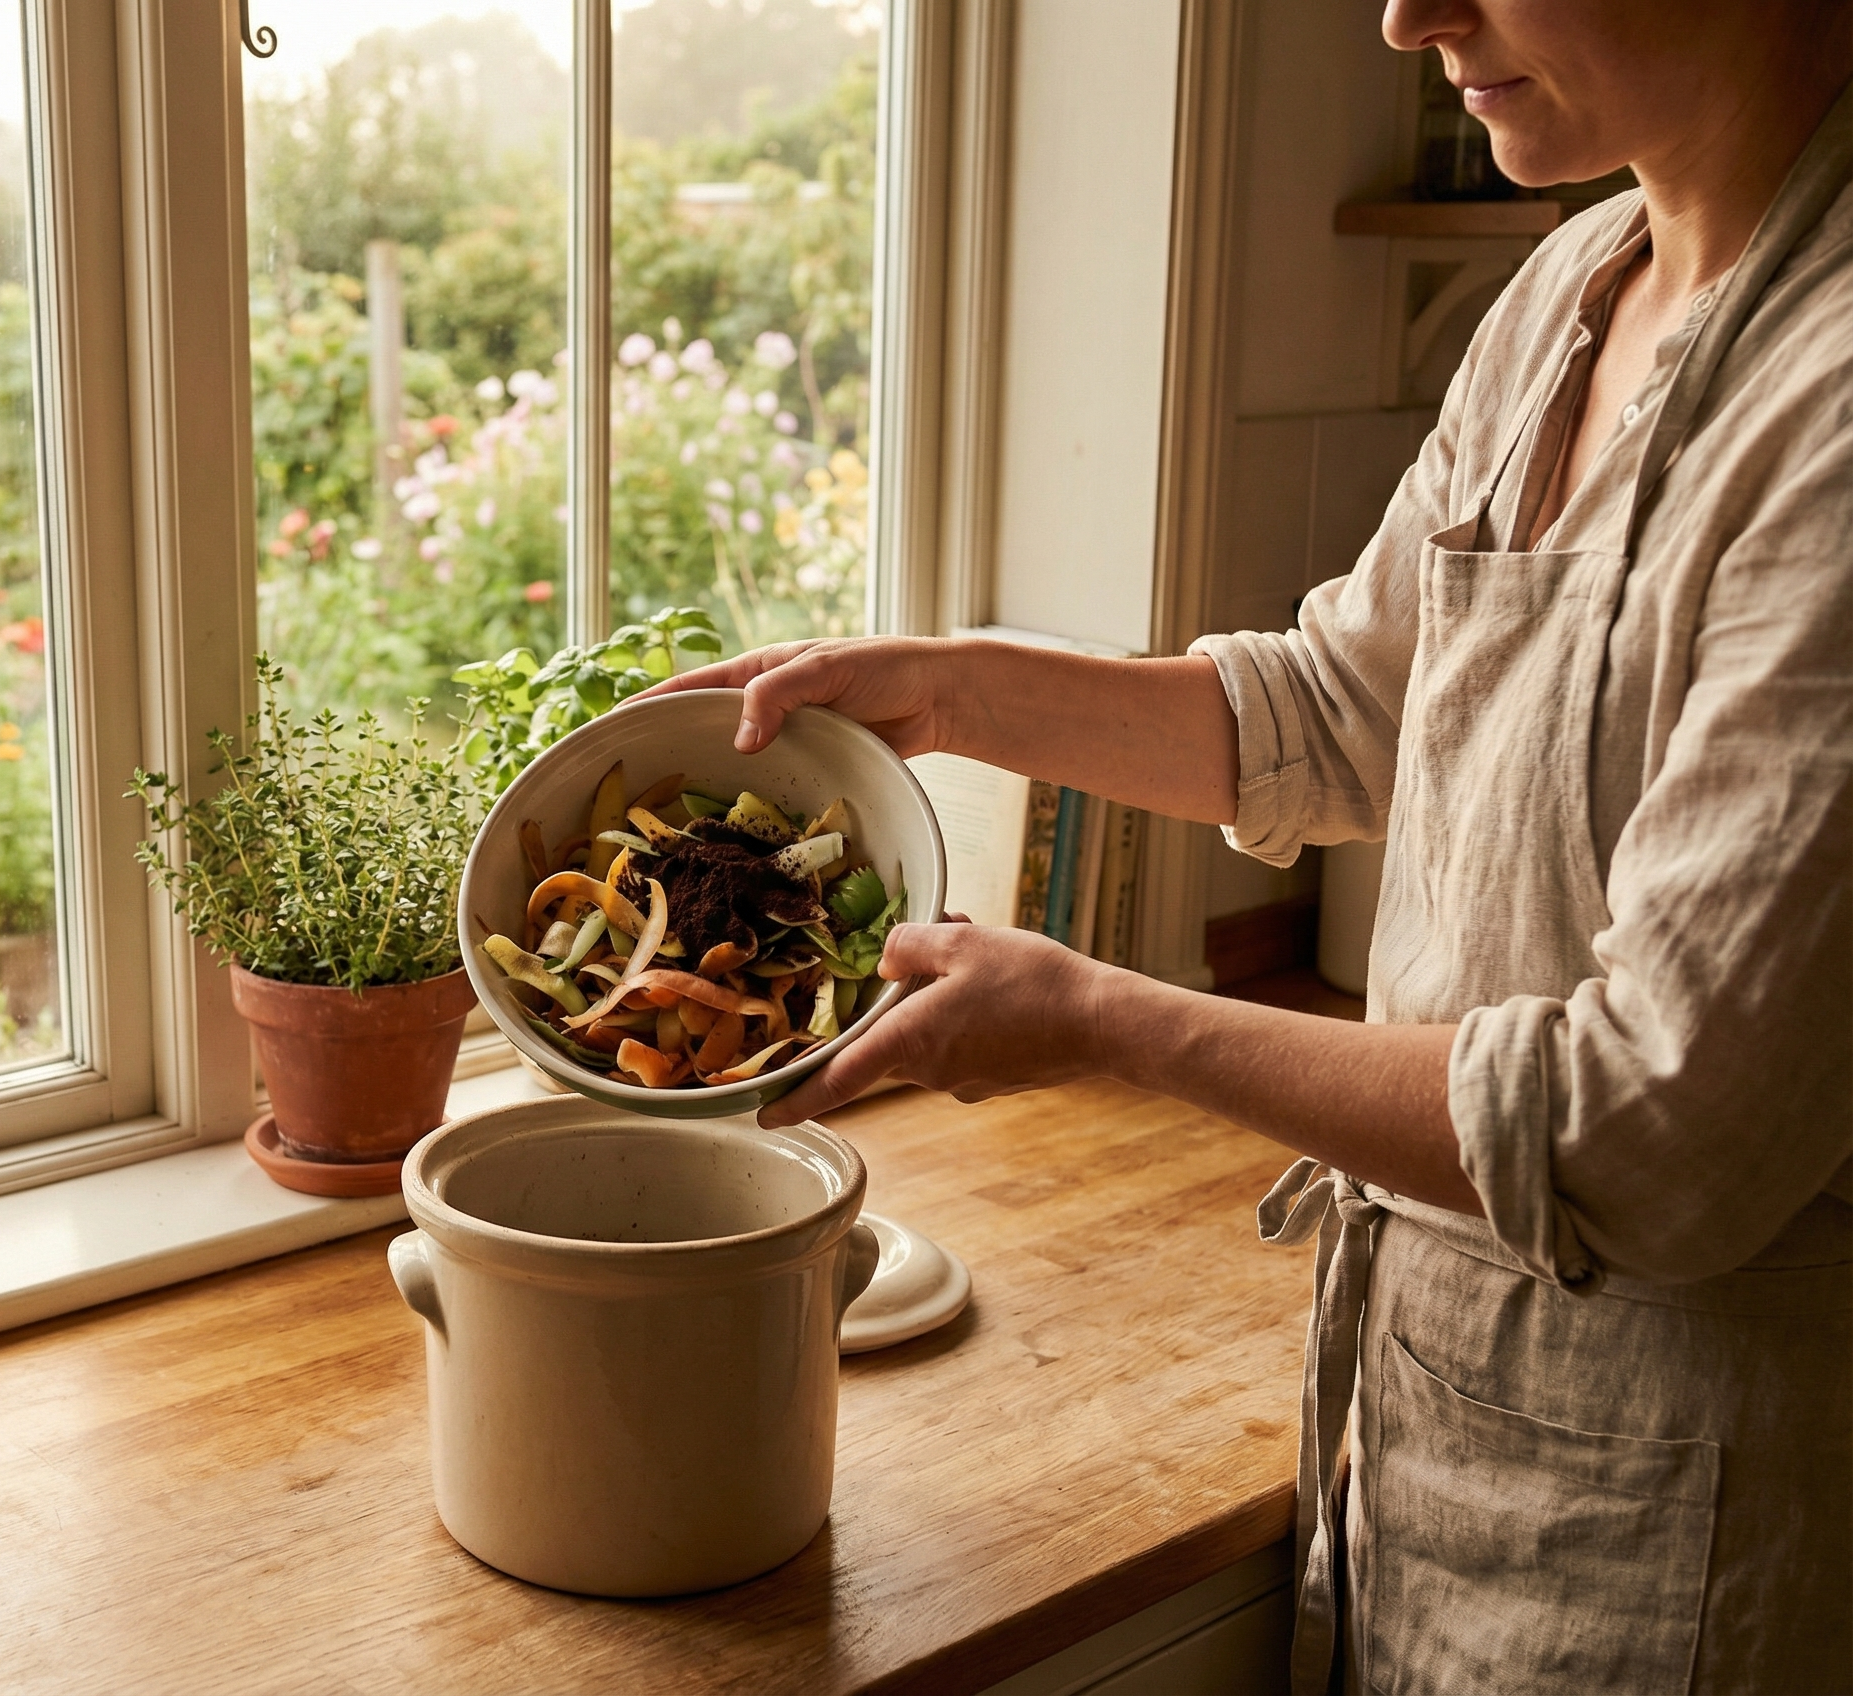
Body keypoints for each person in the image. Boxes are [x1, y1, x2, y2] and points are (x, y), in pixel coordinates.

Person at [653, 1, 1853, 1689]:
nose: (1405, 13)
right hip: (1433, 1436)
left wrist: (1103, 1020)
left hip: (1696, 1523)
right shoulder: (1580, 282)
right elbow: (1347, 711)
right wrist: (942, 687)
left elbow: (1650, 1129)